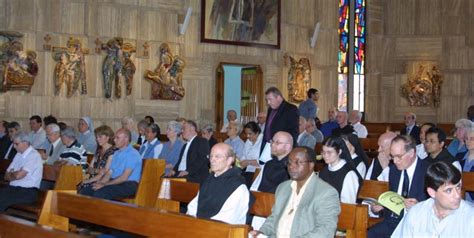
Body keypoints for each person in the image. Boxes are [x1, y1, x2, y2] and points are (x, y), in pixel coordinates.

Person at [249, 146, 340, 237]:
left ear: (311, 165)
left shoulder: (326, 193)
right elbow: (274, 218)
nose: (292, 167)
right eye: (289, 163)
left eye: (298, 162)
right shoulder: (283, 188)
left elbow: (326, 230)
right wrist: (262, 232)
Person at [368, 135, 429, 238]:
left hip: (417, 226)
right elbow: (393, 202)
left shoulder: (428, 171)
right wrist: (381, 207)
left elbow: (438, 205)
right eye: (392, 156)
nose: (395, 161)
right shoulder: (394, 170)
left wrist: (419, 207)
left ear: (412, 153)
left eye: (399, 156)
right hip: (393, 222)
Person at [392, 161, 474, 237]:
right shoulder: (416, 213)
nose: (457, 195)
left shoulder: (470, 217)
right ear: (432, 192)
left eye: (458, 187)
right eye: (449, 190)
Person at [187, 143, 250, 225]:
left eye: (217, 156)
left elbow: (227, 218)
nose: (212, 159)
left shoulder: (238, 186)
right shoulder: (209, 179)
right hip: (202, 226)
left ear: (229, 160)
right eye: (211, 156)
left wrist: (200, 225)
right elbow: (194, 205)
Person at [79, 128, 142, 200]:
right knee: (86, 190)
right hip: (115, 181)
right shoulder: (117, 153)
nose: (114, 140)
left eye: (117, 138)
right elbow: (109, 172)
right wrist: (100, 183)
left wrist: (104, 184)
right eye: (115, 137)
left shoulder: (132, 154)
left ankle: (101, 211)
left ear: (126, 139)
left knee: (100, 193)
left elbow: (124, 177)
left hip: (129, 184)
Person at [0, 132, 43, 211]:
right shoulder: (18, 154)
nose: (14, 146)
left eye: (16, 144)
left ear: (25, 143)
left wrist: (13, 174)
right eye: (13, 143)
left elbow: (19, 175)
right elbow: (6, 176)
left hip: (27, 191)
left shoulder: (33, 155)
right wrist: (15, 174)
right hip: (13, 188)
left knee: (2, 199)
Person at [318, 136, 360, 204]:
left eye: (329, 152)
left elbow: (348, 204)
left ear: (339, 152)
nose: (325, 155)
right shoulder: (323, 171)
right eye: (323, 152)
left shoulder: (349, 174)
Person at [77, 125, 117, 191]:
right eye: (96, 137)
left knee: (83, 187)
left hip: (103, 181)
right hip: (93, 178)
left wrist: (89, 180)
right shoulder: (99, 151)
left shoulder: (112, 151)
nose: (97, 139)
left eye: (100, 137)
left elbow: (105, 173)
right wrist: (96, 171)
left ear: (107, 137)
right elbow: (89, 168)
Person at [260, 87, 299, 153]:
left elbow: (293, 131)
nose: (268, 102)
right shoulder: (270, 109)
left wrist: (286, 147)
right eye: (267, 100)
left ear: (278, 97)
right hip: (268, 145)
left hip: (281, 147)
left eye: (270, 99)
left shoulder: (290, 109)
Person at [239, 121, 263, 187]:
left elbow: (262, 161)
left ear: (257, 133)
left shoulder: (263, 142)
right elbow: (244, 155)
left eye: (250, 134)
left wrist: (248, 162)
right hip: (247, 170)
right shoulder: (248, 141)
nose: (247, 136)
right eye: (246, 134)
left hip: (259, 172)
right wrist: (241, 161)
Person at [460, 127, 474, 201]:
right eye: (466, 138)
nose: (468, 141)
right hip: (459, 198)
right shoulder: (459, 156)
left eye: (472, 139)